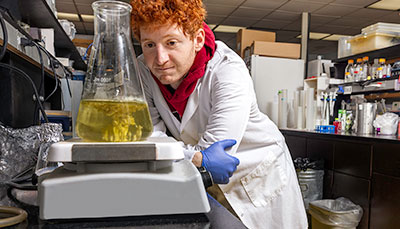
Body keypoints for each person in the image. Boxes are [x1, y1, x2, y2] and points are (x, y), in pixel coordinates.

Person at [130, 0, 308, 228]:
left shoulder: (227, 70)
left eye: (171, 43)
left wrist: (175, 154)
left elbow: (216, 152)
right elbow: (149, 138)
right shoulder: (143, 70)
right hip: (203, 180)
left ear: (197, 40)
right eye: (149, 45)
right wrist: (192, 158)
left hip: (255, 176)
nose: (160, 58)